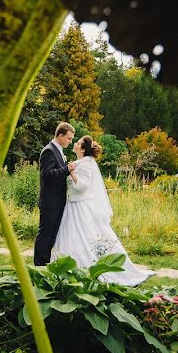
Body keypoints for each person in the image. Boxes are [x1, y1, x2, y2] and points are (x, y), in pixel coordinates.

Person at [51, 135, 153, 286]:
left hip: (80, 207)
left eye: (78, 143)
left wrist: (71, 172)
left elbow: (82, 187)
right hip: (73, 206)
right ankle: (71, 268)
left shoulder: (84, 164)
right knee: (74, 237)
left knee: (85, 237)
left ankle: (90, 266)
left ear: (83, 149)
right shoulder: (81, 162)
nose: (75, 144)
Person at [33, 122, 76, 266]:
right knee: (45, 236)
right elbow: (47, 174)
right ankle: (39, 267)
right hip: (50, 203)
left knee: (50, 237)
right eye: (69, 139)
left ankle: (45, 265)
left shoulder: (58, 150)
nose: (70, 142)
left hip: (57, 203)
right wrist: (66, 170)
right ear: (60, 135)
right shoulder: (49, 150)